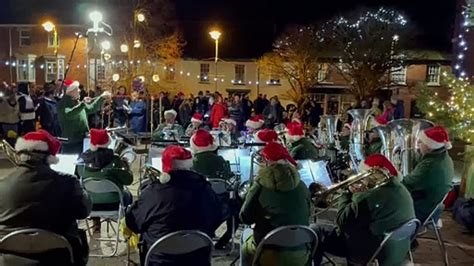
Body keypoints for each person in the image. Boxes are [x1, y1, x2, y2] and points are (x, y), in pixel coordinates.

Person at [0, 130, 91, 265]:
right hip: (58, 256)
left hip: (9, 257)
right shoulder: (68, 182)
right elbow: (84, 211)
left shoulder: (2, 184)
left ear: (19, 155)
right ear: (50, 158)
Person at [124, 145, 221, 265]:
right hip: (198, 259)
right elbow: (217, 218)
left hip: (159, 260)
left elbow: (133, 223)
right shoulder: (207, 190)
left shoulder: (152, 193)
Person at [312, 154, 415, 265]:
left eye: (362, 174)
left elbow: (341, 221)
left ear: (372, 174)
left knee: (316, 230)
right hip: (398, 249)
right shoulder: (401, 189)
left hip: (373, 252)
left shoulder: (372, 196)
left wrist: (346, 193)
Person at [240, 142, 311, 265]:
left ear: (267, 160)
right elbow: (308, 212)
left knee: (245, 236)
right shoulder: (302, 185)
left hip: (268, 253)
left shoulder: (260, 185)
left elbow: (245, 218)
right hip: (300, 253)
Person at [76, 128, 133, 232]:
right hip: (114, 203)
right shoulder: (115, 160)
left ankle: (96, 222)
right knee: (128, 195)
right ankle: (127, 229)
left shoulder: (81, 161)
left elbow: (77, 183)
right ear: (107, 142)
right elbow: (129, 181)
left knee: (91, 192)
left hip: (90, 205)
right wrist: (126, 166)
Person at [402, 126, 454, 223]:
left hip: (420, 209)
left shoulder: (430, 165)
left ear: (430, 146)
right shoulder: (443, 157)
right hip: (431, 204)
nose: (418, 144)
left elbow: (405, 184)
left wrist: (394, 175)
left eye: (421, 142)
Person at [57, 80, 110, 154]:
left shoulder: (77, 102)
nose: (79, 90)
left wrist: (101, 97)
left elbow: (91, 108)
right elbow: (69, 114)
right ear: (71, 91)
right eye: (77, 89)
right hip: (71, 142)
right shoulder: (64, 103)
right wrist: (82, 104)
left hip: (81, 139)